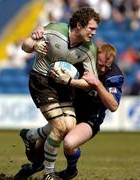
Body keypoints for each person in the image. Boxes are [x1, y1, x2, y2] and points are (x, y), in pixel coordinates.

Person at [14, 44, 124, 180]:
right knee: (39, 150)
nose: (102, 69)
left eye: (107, 66)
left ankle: (70, 171)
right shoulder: (83, 63)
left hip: (90, 119)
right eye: (100, 64)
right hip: (69, 110)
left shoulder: (114, 76)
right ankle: (35, 164)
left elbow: (113, 106)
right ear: (94, 58)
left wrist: (97, 84)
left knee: (69, 143)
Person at [17, 7, 100, 180]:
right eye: (91, 28)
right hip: (41, 80)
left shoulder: (89, 49)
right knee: (60, 126)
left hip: (63, 85)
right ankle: (49, 173)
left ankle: (30, 136)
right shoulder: (55, 31)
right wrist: (34, 44)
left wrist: (69, 81)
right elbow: (25, 46)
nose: (94, 33)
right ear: (79, 25)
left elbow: (90, 83)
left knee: (69, 126)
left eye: (95, 29)